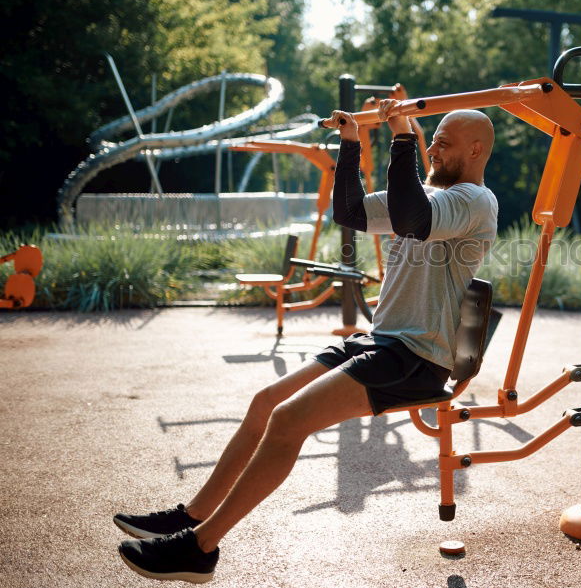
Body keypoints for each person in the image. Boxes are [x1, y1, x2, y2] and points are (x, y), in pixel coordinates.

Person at [114, 101, 498, 583]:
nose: (435, 148)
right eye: (432, 139)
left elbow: (412, 216)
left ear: (477, 149)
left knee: (288, 419)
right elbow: (351, 211)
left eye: (444, 142)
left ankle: (199, 548)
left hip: (417, 356)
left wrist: (403, 138)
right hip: (381, 342)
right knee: (265, 403)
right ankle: (193, 514)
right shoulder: (426, 194)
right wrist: (351, 143)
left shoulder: (472, 202)